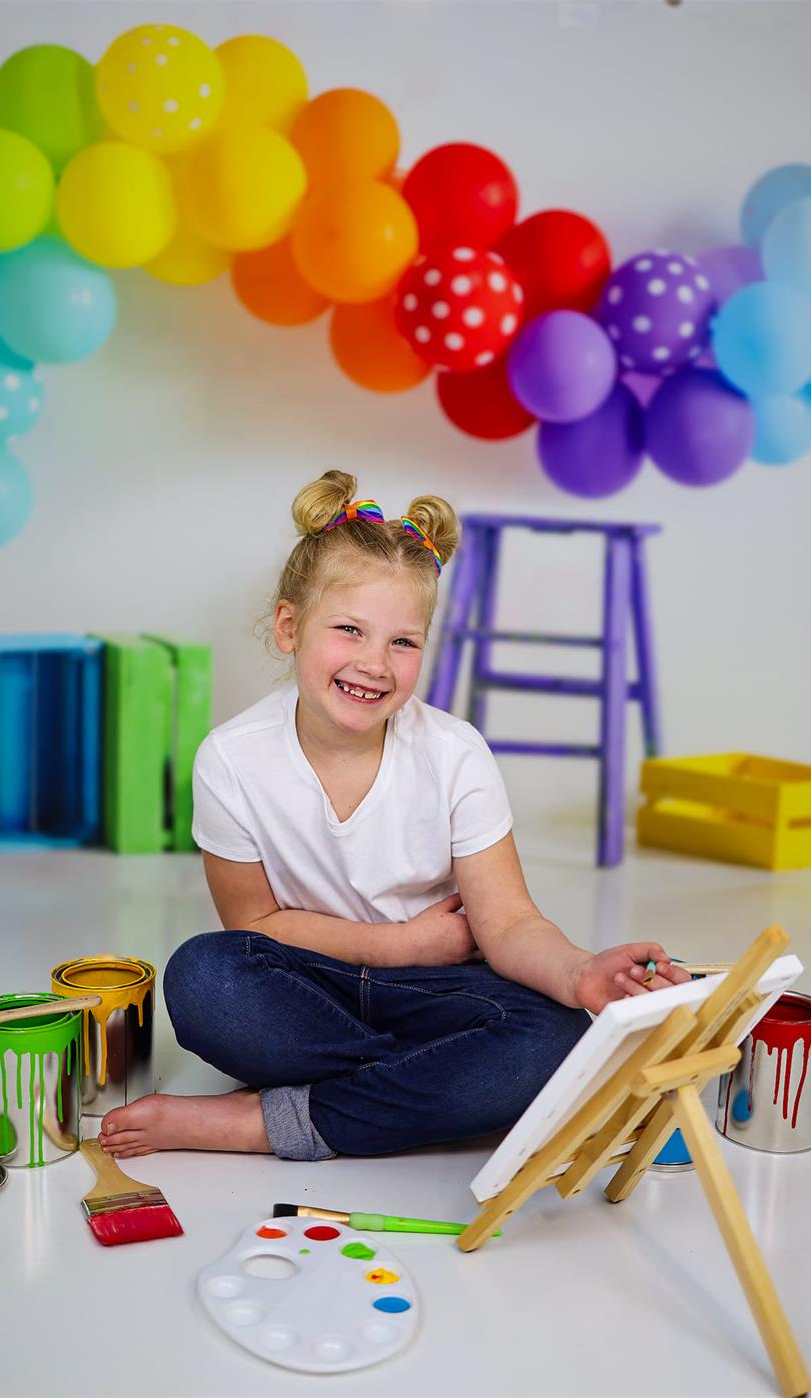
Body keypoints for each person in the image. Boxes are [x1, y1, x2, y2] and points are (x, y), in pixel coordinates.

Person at [98, 471, 689, 1161]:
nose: (374, 664)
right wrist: (401, 946)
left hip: (441, 990)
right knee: (204, 978)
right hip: (310, 983)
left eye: (402, 643)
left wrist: (581, 972)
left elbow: (508, 923)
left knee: (554, 1033)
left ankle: (262, 1123)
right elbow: (253, 926)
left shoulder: (454, 753)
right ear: (289, 627)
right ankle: (436, 1089)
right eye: (349, 630)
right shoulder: (230, 759)